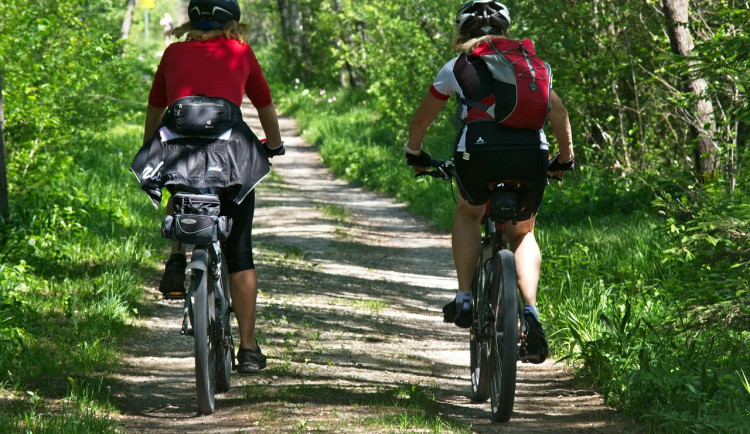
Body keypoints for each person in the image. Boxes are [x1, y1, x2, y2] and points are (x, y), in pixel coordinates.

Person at [404, 0, 574, 363]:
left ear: (462, 33)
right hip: (531, 155)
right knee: (523, 233)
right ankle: (530, 312)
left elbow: (421, 120)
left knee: (468, 212)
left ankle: (465, 298)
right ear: (505, 31)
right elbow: (558, 113)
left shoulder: (456, 67)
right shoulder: (531, 65)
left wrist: (415, 154)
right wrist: (564, 159)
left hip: (478, 155)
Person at [142, 0, 285, 373]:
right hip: (231, 160)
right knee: (240, 251)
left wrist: (151, 148)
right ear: (232, 22)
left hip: (180, 156)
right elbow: (265, 105)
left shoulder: (173, 53)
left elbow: (156, 108)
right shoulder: (240, 51)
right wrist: (274, 145)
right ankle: (249, 349)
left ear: (192, 21)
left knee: (178, 185)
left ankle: (177, 253)